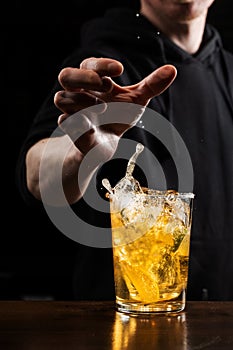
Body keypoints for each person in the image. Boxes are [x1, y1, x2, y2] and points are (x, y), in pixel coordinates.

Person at [16, 0, 233, 301]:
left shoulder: (230, 72)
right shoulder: (102, 70)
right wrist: (82, 152)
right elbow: (36, 175)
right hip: (119, 327)